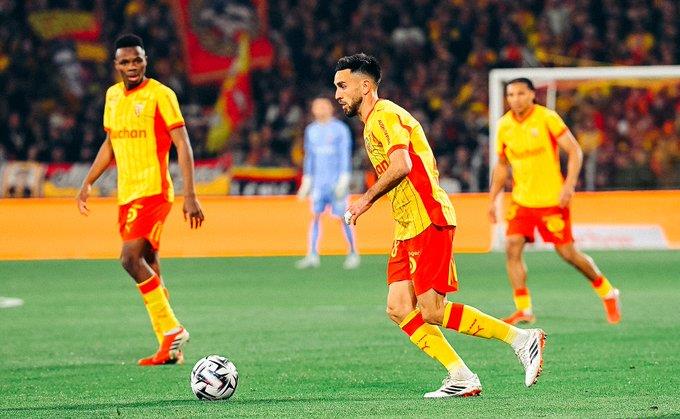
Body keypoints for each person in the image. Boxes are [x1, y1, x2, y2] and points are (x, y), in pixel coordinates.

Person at [335, 53, 545, 398]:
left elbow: (401, 164)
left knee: (432, 310)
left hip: (427, 218)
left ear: (366, 86)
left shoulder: (384, 115)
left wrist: (365, 200)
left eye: (343, 86)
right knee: (398, 307)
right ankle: (461, 375)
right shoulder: (373, 122)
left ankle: (522, 339)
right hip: (407, 224)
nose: (338, 94)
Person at [76, 34, 204, 366]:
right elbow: (110, 144)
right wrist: (88, 182)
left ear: (145, 61)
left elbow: (183, 144)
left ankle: (173, 330)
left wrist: (190, 194)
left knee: (129, 259)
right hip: (127, 195)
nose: (132, 66)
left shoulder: (161, 94)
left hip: (153, 192)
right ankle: (169, 346)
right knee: (150, 265)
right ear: (116, 65)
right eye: (125, 62)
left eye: (137, 60)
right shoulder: (112, 96)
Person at [489, 78, 621, 325]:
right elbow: (502, 165)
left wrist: (569, 185)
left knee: (568, 254)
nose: (515, 99)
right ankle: (524, 309)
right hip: (522, 200)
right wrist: (492, 198)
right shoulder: (504, 126)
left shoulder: (547, 118)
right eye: (511, 95)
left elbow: (575, 151)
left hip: (552, 200)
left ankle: (608, 292)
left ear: (532, 95)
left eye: (520, 93)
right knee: (512, 247)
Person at [296, 97, 360, 269]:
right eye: (317, 107)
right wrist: (307, 180)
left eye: (324, 106)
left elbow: (345, 154)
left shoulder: (340, 129)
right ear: (313, 110)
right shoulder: (311, 130)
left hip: (336, 182)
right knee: (315, 217)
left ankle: (353, 252)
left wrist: (344, 178)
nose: (321, 110)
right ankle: (312, 254)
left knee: (343, 217)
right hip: (319, 183)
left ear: (331, 108)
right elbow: (309, 157)